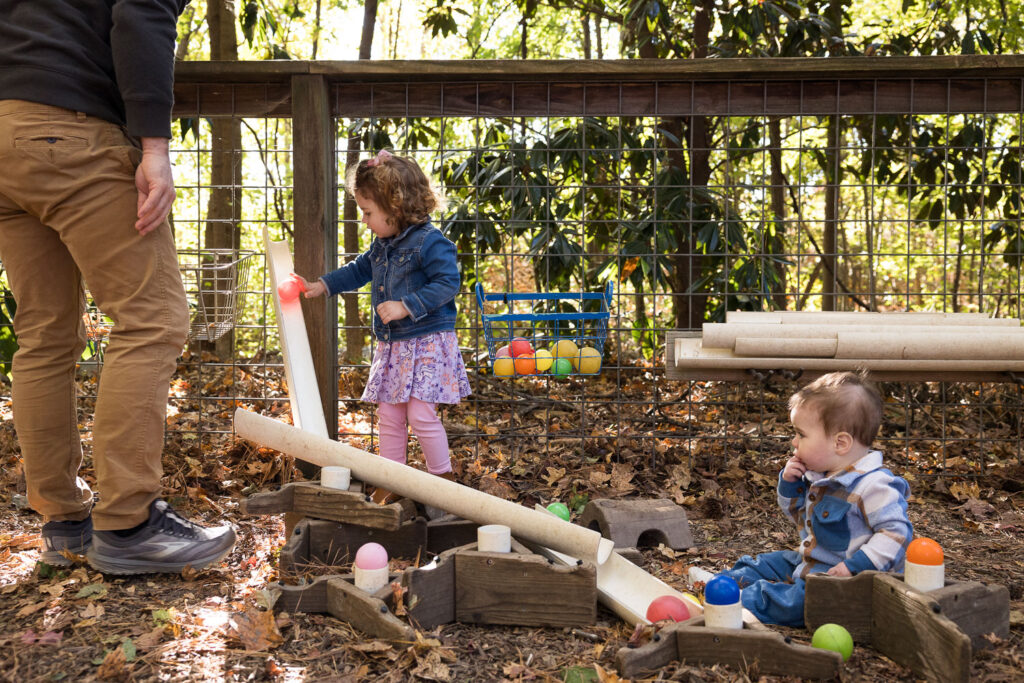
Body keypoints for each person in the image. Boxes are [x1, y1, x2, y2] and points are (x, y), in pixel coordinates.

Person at [0, 0, 236, 573]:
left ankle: (64, 524)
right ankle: (129, 523)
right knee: (152, 319)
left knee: (45, 335)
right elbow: (141, 14)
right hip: (68, 132)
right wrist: (154, 146)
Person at [296, 149, 471, 504]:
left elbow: (448, 282)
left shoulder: (429, 241)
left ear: (396, 207)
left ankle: (445, 481)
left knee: (421, 413)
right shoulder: (382, 245)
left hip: (426, 343)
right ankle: (393, 480)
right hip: (394, 347)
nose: (364, 220)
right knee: (389, 414)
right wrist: (323, 285)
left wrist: (408, 306)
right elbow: (358, 270)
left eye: (368, 212)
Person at [690, 370, 912, 626]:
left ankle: (741, 601)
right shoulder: (822, 475)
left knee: (797, 600)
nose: (794, 441)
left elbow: (897, 534)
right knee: (768, 563)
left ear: (840, 443)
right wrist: (790, 484)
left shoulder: (875, 485)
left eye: (801, 434)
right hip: (816, 560)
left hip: (849, 583)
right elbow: (800, 517)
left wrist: (855, 566)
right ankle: (721, 582)